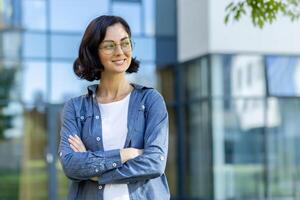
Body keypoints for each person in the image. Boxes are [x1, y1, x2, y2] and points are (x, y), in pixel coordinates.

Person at [58, 15, 170, 200]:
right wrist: (127, 154)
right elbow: (70, 164)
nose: (120, 51)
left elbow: (154, 163)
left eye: (125, 43)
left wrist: (94, 171)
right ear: (94, 53)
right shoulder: (76, 108)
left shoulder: (151, 100)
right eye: (109, 45)